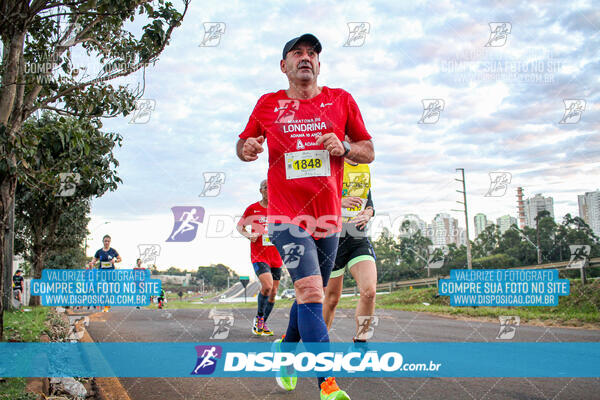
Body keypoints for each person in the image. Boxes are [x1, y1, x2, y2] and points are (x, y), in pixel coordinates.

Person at [236, 33, 374, 400]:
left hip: (328, 219)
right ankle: (327, 385)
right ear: (284, 66)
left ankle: (285, 347)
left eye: (312, 53)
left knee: (305, 295)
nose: (306, 58)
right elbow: (244, 143)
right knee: (312, 290)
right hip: (284, 218)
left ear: (318, 64)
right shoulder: (268, 104)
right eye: (297, 53)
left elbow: (368, 151)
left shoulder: (340, 100)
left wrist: (344, 146)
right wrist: (246, 147)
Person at [323, 158, 377, 344]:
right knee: (331, 299)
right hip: (332, 238)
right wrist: (338, 201)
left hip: (356, 236)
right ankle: (318, 346)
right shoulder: (331, 164)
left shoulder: (364, 166)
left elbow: (368, 200)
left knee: (369, 292)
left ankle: (361, 343)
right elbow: (316, 197)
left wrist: (369, 212)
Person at [237, 179, 283, 336]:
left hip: (276, 256)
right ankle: (259, 318)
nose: (269, 191)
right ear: (261, 190)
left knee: (274, 292)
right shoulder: (253, 209)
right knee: (268, 286)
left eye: (272, 188)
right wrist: (249, 235)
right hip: (259, 255)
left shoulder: (279, 208)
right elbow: (239, 226)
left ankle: (262, 322)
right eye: (266, 188)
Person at [89, 234, 121, 312]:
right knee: (100, 288)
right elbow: (94, 260)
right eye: (105, 241)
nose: (107, 242)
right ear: (103, 241)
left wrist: (115, 261)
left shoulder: (113, 251)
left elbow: (120, 259)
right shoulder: (99, 251)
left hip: (110, 272)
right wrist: (91, 263)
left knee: (110, 290)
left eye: (108, 241)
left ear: (110, 242)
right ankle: (102, 301)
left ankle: (107, 305)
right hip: (101, 272)